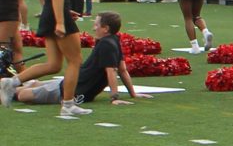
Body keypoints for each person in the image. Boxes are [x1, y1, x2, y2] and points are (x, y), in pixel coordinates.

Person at [2, 11, 143, 110]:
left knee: (27, 91)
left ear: (106, 29)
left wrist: (117, 97)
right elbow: (119, 70)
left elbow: (114, 70)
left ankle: (7, 87)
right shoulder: (113, 41)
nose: (94, 28)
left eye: (96, 25)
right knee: (26, 92)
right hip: (74, 85)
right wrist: (128, 94)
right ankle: (7, 88)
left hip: (75, 86)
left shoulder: (107, 44)